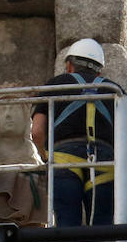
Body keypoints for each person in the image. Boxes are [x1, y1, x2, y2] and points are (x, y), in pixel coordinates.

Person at [31, 39, 120, 227]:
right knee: (102, 226)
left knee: (67, 224)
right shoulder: (114, 90)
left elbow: (37, 131)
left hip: (64, 158)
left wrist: (45, 156)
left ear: (69, 65)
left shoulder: (56, 85)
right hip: (105, 161)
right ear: (99, 70)